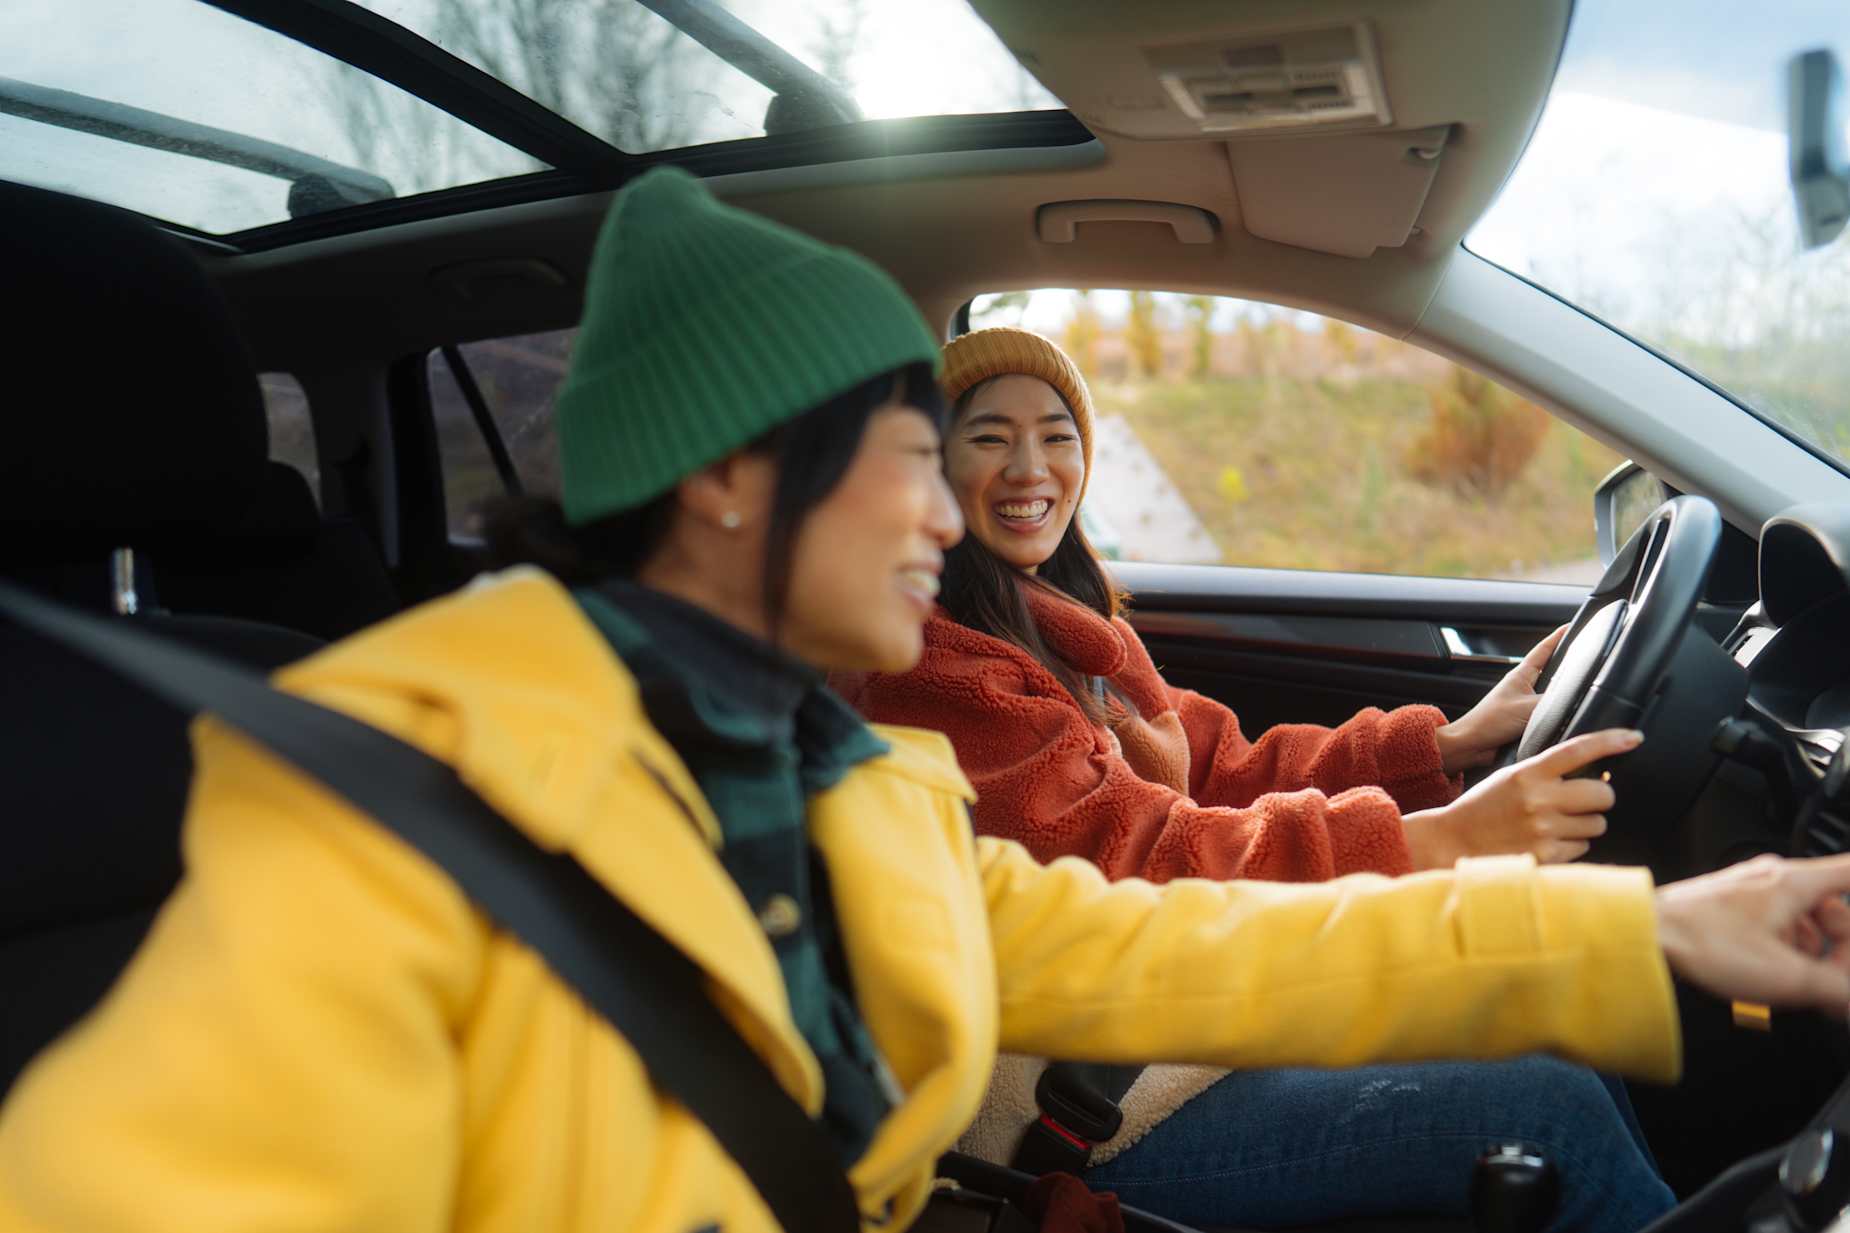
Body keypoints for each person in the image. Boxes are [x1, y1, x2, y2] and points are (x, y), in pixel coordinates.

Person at [3, 171, 1850, 1233]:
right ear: (728, 482)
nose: (951, 500)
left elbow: (1183, 946)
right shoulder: (414, 799)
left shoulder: (848, 778)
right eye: (900, 446)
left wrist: (1661, 925)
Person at [832, 326, 1667, 1227]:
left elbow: (1224, 766)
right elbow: (1142, 864)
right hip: (1076, 1106)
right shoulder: (934, 668)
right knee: (1538, 1098)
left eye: (1058, 435)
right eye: (989, 436)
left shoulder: (1059, 620)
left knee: (1553, 1000)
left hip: (1171, 1020)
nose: (1030, 466)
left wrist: (1445, 745)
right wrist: (1432, 840)